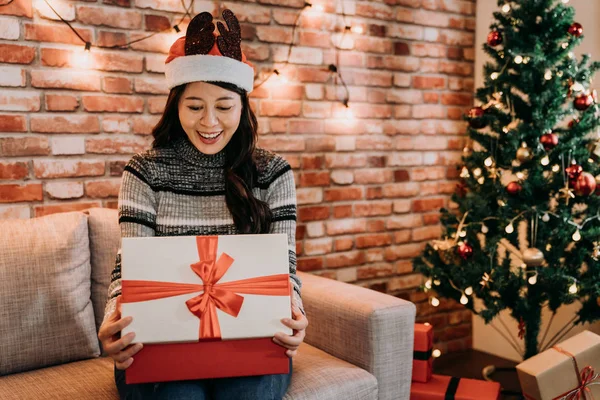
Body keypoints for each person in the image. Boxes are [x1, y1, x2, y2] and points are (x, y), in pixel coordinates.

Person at [97, 9, 308, 400]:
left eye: (224, 106)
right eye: (195, 106)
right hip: (159, 346)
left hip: (250, 342)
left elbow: (286, 269)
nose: (209, 121)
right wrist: (114, 319)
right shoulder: (145, 172)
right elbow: (128, 267)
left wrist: (294, 312)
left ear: (243, 107)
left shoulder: (274, 173)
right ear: (176, 106)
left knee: (245, 391)